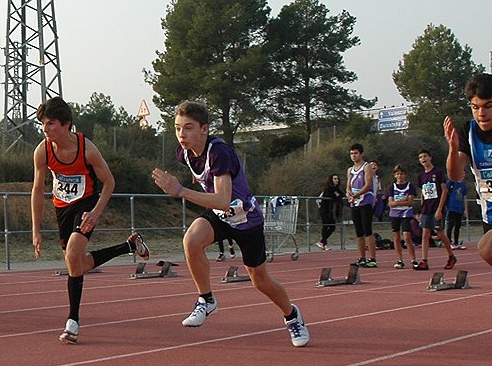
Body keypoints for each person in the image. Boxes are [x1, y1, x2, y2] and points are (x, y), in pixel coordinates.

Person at [151, 100, 309, 347]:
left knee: (260, 281)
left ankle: (292, 316)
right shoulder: (184, 153)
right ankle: (206, 300)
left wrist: (180, 190)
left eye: (189, 128)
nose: (182, 134)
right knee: (191, 240)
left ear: (204, 129)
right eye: (178, 128)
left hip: (246, 219)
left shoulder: (220, 152)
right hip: (219, 215)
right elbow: (206, 182)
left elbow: (224, 199)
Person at [30, 96, 150, 344]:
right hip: (61, 208)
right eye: (44, 123)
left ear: (66, 124)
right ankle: (129, 246)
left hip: (85, 205)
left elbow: (109, 182)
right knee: (78, 263)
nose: (46, 128)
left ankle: (72, 321)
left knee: (74, 255)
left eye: (52, 123)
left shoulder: (87, 149)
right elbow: (37, 189)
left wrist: (95, 212)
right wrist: (36, 228)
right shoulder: (42, 150)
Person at [444, 73, 492, 328]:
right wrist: (452, 149)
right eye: (475, 107)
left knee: (487, 248)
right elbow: (456, 175)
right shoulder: (468, 132)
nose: (482, 113)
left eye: (487, 106)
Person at [416, 149, 456, 270]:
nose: (423, 159)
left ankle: (451, 255)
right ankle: (424, 260)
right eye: (420, 157)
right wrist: (421, 209)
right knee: (425, 234)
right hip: (426, 209)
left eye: (425, 156)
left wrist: (439, 209)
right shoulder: (421, 176)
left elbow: (444, 190)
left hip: (436, 207)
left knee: (439, 233)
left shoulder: (438, 172)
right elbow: (423, 193)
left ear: (430, 157)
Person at [346, 143, 377, 267]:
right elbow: (348, 186)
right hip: (355, 202)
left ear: (361, 154)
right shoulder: (349, 170)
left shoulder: (366, 166)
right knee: (358, 230)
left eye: (356, 153)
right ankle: (362, 257)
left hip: (365, 200)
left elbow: (368, 184)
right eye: (351, 154)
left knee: (367, 229)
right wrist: (349, 194)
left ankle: (373, 258)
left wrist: (357, 194)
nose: (353, 156)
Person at [386, 165, 418, 270]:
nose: (400, 176)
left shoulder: (410, 186)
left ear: (405, 175)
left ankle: (413, 259)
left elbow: (410, 202)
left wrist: (397, 202)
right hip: (394, 214)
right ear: (395, 175)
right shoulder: (392, 187)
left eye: (402, 173)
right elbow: (391, 203)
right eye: (397, 174)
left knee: (407, 237)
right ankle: (400, 260)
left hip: (406, 213)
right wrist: (401, 201)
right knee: (396, 237)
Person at [316, 173, 343, 251]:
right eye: (334, 179)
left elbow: (341, 195)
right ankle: (324, 242)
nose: (336, 180)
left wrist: (338, 196)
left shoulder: (336, 189)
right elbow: (331, 196)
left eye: (337, 179)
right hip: (324, 210)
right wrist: (337, 196)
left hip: (330, 210)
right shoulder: (328, 188)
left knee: (332, 226)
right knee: (326, 225)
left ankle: (322, 241)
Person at [445, 177, 468, 249]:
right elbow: (445, 192)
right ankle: (449, 242)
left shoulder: (463, 185)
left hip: (459, 208)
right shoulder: (451, 182)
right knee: (450, 225)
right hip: (451, 207)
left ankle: (456, 242)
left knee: (458, 226)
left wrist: (465, 209)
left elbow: (464, 197)